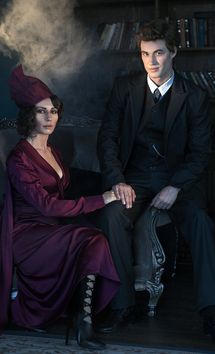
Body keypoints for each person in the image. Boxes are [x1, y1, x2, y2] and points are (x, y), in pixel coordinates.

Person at [96, 20, 215, 345]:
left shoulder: (194, 95)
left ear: (174, 53)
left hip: (177, 181)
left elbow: (200, 153)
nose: (152, 62)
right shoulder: (123, 88)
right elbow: (108, 140)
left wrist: (175, 187)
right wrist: (117, 181)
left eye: (158, 53)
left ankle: (211, 313)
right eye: (145, 54)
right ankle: (124, 305)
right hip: (136, 179)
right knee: (112, 215)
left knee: (200, 222)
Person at [0, 65, 120, 350]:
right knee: (91, 238)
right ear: (29, 115)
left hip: (50, 231)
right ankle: (83, 323)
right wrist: (101, 199)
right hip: (27, 236)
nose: (49, 117)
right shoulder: (19, 159)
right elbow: (48, 205)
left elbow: (69, 184)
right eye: (41, 111)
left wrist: (116, 184)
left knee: (94, 238)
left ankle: (83, 320)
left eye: (53, 110)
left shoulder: (53, 150)